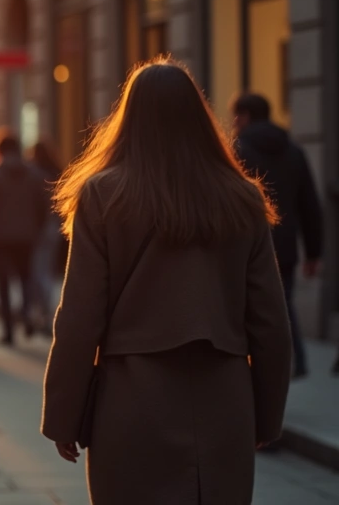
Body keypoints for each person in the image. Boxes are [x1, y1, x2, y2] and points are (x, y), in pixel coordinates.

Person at [42, 61, 291, 504]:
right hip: (223, 404)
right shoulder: (242, 198)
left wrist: (64, 416)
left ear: (129, 119)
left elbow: (79, 318)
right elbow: (271, 324)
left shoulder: (103, 195)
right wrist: (266, 416)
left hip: (132, 404)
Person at [232, 93, 323, 379]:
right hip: (286, 246)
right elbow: (310, 205)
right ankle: (297, 361)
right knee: (283, 304)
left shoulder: (238, 150)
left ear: (244, 116)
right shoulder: (294, 150)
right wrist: (313, 253)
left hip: (247, 246)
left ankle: (266, 368)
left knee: (252, 310)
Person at [0, 130, 51, 344]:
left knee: (3, 285)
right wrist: (36, 229)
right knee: (26, 278)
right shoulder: (35, 174)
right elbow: (43, 206)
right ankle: (28, 314)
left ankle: (8, 330)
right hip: (27, 235)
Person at [29, 139, 67, 300]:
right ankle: (45, 301)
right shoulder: (58, 171)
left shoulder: (34, 174)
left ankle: (43, 303)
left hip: (39, 226)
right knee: (47, 265)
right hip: (56, 225)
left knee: (39, 267)